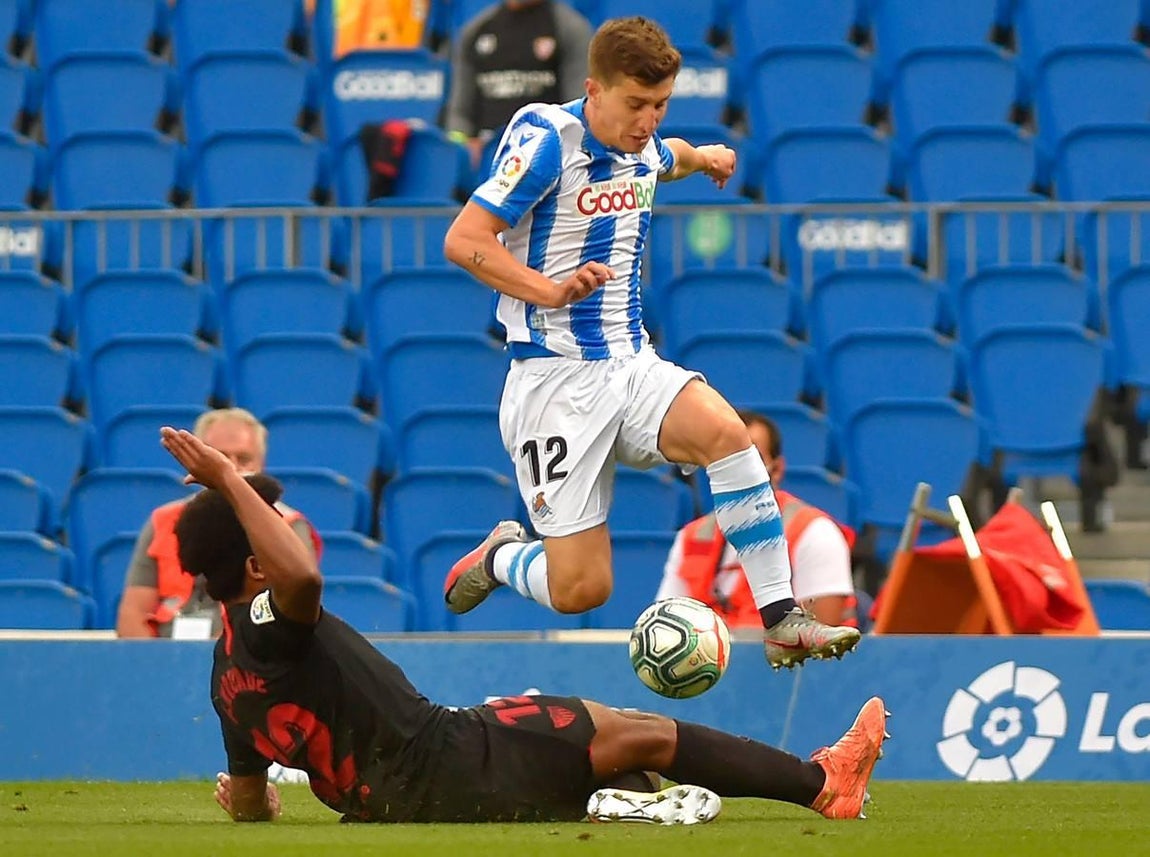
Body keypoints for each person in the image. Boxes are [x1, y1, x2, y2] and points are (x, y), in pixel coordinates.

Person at [159, 426, 889, 825]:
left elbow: (250, 801)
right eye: (274, 530)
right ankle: (821, 783)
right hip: (450, 756)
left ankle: (626, 798)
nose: (290, 532)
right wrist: (227, 478)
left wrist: (259, 804)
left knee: (602, 746)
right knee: (640, 729)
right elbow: (306, 579)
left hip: (393, 804)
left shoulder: (227, 673)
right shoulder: (274, 616)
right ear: (257, 569)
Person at [440, 16, 861, 670]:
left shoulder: (645, 143)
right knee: (583, 588)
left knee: (730, 436)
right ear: (594, 88)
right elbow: (464, 240)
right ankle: (501, 556)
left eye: (660, 105)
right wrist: (547, 292)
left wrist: (710, 158)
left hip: (630, 364)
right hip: (554, 381)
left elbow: (671, 158)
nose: (647, 119)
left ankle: (782, 616)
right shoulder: (548, 140)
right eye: (635, 104)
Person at [115, 408, 321, 639]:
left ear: (261, 464)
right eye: (220, 457)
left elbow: (285, 612)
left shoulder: (288, 525)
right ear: (196, 461)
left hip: (247, 655)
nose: (230, 468)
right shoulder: (163, 521)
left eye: (243, 458)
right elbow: (133, 614)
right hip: (165, 658)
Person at [658, 411, 859, 629]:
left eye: (750, 459)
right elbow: (668, 629)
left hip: (787, 663)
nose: (737, 470)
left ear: (777, 469)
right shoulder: (691, 537)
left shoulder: (816, 533)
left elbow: (821, 645)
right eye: (724, 459)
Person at [443, 0, 592, 169]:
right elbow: (460, 113)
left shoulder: (570, 28)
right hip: (485, 161)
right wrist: (461, 147)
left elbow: (577, 111)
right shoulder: (475, 31)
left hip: (547, 158)